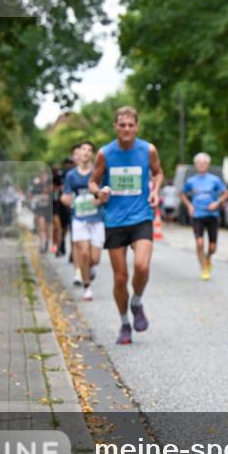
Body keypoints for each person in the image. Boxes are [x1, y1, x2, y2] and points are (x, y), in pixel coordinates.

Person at [89, 106, 164, 345]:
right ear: (115, 127)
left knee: (142, 266)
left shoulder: (148, 149)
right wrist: (99, 192)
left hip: (141, 216)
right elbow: (93, 181)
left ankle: (137, 301)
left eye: (131, 125)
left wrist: (155, 190)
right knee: (120, 278)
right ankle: (124, 322)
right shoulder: (105, 153)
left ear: (137, 127)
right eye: (122, 125)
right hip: (114, 220)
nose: (126, 129)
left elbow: (158, 172)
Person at [62, 141, 104, 301]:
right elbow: (66, 195)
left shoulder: (98, 172)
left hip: (96, 219)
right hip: (79, 219)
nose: (86, 152)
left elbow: (105, 192)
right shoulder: (71, 175)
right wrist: (68, 200)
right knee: (84, 253)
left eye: (89, 150)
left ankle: (89, 269)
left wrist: (99, 199)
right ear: (79, 153)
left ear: (92, 154)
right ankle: (87, 288)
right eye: (83, 149)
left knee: (95, 258)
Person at [180, 152, 228, 280]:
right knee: (200, 243)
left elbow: (226, 193)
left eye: (204, 163)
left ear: (208, 165)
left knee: (212, 247)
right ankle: (203, 269)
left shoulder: (214, 180)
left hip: (212, 215)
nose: (201, 165)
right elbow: (182, 194)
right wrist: (190, 206)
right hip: (197, 215)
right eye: (199, 163)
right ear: (196, 165)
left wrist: (217, 203)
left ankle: (208, 259)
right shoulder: (191, 181)